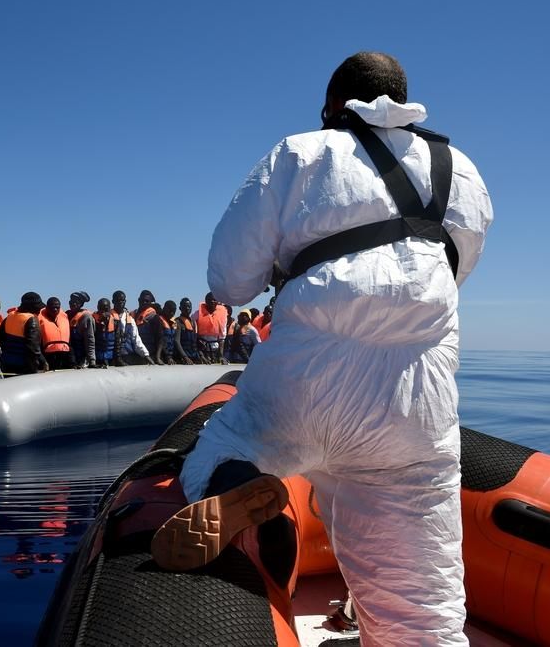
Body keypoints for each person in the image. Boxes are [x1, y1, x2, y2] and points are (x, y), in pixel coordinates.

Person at [151, 52, 493, 646]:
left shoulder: (300, 153)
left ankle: (235, 484)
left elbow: (230, 281)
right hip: (414, 404)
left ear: (332, 106)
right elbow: (454, 271)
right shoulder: (461, 170)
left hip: (304, 379)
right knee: (423, 610)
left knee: (224, 444)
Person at [0, 292, 49, 375]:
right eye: (37, 307)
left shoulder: (9, 317)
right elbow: (33, 348)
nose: (39, 310)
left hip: (6, 363)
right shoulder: (31, 320)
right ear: (30, 306)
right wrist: (35, 369)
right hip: (24, 367)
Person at [112, 290, 153, 366]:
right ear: (113, 301)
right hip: (111, 356)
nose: (121, 302)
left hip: (127, 354)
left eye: (123, 300)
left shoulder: (130, 319)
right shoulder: (108, 317)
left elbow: (136, 339)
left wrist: (146, 355)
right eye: (118, 300)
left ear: (125, 301)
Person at [38, 297, 74, 370]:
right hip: (48, 357)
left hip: (64, 356)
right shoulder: (39, 317)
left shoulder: (64, 316)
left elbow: (69, 343)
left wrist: (73, 362)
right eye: (52, 307)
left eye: (57, 308)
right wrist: (43, 361)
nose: (55, 310)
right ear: (47, 307)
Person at [192, 291, 228, 364]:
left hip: (215, 349)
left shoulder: (223, 315)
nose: (212, 301)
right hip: (202, 348)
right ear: (206, 301)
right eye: (210, 300)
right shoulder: (198, 313)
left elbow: (222, 338)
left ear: (217, 302)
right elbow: (191, 322)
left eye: (214, 300)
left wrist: (221, 355)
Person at [66, 291, 96, 368]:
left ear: (81, 304)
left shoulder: (86, 317)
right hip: (68, 358)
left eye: (77, 302)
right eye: (72, 301)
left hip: (82, 359)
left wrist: (92, 360)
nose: (73, 304)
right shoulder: (66, 315)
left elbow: (90, 340)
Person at [175, 297, 203, 364]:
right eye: (185, 307)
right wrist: (185, 357)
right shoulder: (178, 322)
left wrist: (201, 356)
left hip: (194, 356)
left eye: (189, 307)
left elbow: (195, 342)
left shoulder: (193, 322)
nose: (187, 308)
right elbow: (176, 341)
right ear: (180, 308)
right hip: (183, 357)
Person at [91, 298, 118, 368]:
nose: (103, 312)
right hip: (97, 359)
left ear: (110, 308)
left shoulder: (116, 322)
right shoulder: (92, 321)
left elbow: (118, 342)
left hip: (112, 359)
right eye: (101, 309)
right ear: (97, 308)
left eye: (106, 309)